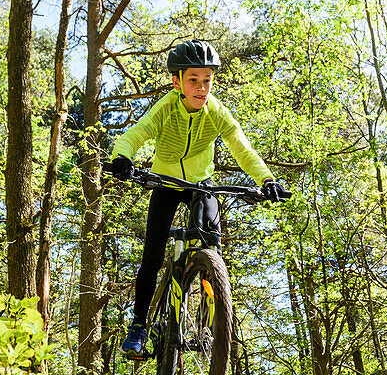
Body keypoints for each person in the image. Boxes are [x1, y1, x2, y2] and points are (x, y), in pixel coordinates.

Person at [109, 39, 289, 358]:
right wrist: (122, 156)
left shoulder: (216, 111)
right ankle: (138, 326)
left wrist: (267, 179)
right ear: (177, 81)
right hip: (165, 184)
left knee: (213, 247)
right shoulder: (166, 107)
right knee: (152, 256)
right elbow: (136, 134)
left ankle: (208, 328)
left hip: (200, 185)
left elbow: (241, 146)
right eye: (193, 80)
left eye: (207, 80)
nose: (202, 88)